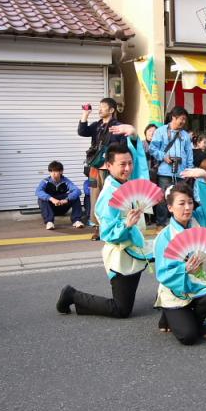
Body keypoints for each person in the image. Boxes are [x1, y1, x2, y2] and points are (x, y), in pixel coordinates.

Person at [56, 128, 149, 318]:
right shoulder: (109, 194)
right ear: (108, 165)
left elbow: (141, 166)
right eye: (122, 164)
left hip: (135, 248)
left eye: (129, 163)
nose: (128, 168)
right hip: (120, 253)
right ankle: (72, 295)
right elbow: (107, 233)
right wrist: (127, 225)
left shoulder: (126, 182)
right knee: (121, 309)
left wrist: (133, 136)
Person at [152, 183, 206, 344]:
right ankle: (168, 312)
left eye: (190, 202)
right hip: (174, 289)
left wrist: (205, 176)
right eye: (181, 203)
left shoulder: (198, 220)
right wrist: (184, 268)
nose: (187, 207)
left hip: (196, 283)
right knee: (188, 337)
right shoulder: (164, 237)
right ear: (170, 208)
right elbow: (163, 273)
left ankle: (194, 320)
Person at [78, 97, 122, 240]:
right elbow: (82, 131)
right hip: (95, 167)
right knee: (95, 198)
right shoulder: (97, 125)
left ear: (111, 110)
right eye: (99, 106)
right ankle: (97, 228)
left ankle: (110, 225)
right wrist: (85, 114)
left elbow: (123, 147)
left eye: (103, 106)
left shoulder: (118, 126)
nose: (100, 109)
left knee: (110, 198)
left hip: (110, 169)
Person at [148, 106, 194, 228]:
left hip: (181, 172)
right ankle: (161, 224)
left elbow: (189, 153)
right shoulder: (161, 131)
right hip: (165, 171)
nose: (183, 122)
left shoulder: (185, 135)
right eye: (182, 119)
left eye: (185, 120)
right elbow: (152, 148)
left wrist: (190, 170)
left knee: (181, 198)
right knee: (163, 198)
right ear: (173, 117)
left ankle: (179, 224)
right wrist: (164, 156)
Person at [36, 161, 84, 229]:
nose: (53, 174)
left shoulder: (66, 181)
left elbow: (77, 190)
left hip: (62, 206)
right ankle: (49, 222)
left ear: (61, 172)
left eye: (55, 171)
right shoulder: (45, 181)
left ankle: (76, 220)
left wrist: (66, 199)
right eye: (51, 171)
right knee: (41, 198)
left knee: (75, 196)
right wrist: (52, 199)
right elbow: (38, 191)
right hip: (50, 208)